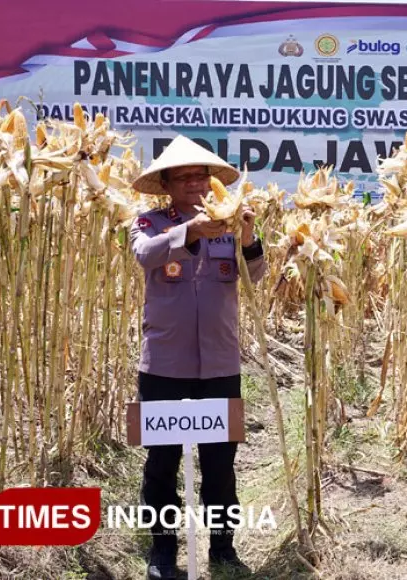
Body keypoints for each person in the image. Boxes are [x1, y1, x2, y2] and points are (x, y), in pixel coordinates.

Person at [130, 135, 267, 580]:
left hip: (220, 363)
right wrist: (189, 231)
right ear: (167, 184)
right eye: (183, 177)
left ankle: (223, 551)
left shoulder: (230, 220)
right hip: (164, 364)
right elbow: (144, 255)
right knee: (162, 462)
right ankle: (163, 553)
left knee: (220, 464)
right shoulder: (149, 223)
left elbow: (256, 276)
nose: (194, 183)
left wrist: (246, 235)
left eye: (200, 175)